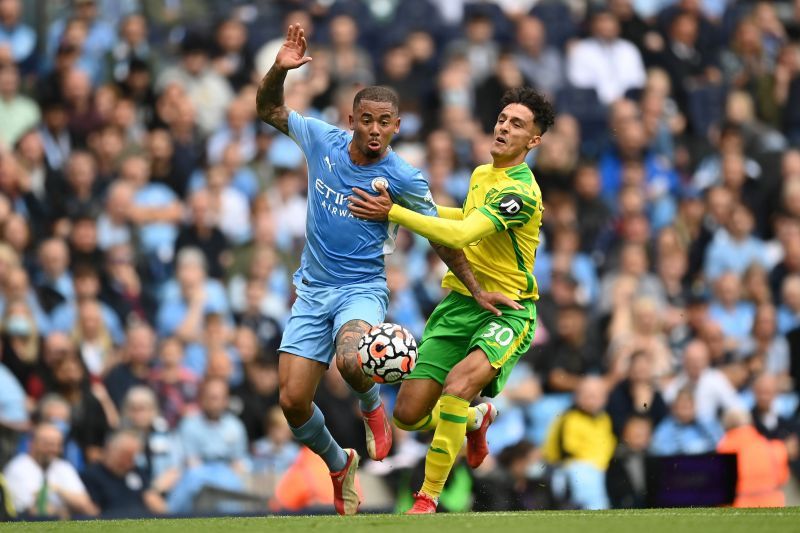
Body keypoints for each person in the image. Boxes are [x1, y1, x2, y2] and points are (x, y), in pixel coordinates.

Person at [255, 24, 510, 515]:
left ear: (397, 126)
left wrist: (475, 288)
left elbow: (439, 234)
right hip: (311, 290)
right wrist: (279, 70)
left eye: (384, 122)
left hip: (360, 289)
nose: (374, 129)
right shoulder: (322, 141)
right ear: (351, 119)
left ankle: (374, 408)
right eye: (366, 119)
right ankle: (338, 464)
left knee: (352, 359)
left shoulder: (403, 178)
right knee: (291, 403)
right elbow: (268, 109)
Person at [349, 86, 555, 513]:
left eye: (517, 124)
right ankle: (477, 420)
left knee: (459, 387)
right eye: (503, 118)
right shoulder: (483, 175)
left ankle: (427, 498)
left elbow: (461, 237)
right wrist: (408, 201)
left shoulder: (523, 192)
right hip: (460, 304)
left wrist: (393, 213)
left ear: (533, 141)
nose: (504, 127)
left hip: (507, 309)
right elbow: (463, 217)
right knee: (407, 414)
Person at [3, 423, 98, 518]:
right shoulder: (17, 467)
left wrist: (58, 490)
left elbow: (88, 507)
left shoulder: (63, 467)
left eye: (58, 445)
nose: (54, 449)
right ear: (32, 444)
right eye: (48, 444)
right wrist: (64, 511)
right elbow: (33, 511)